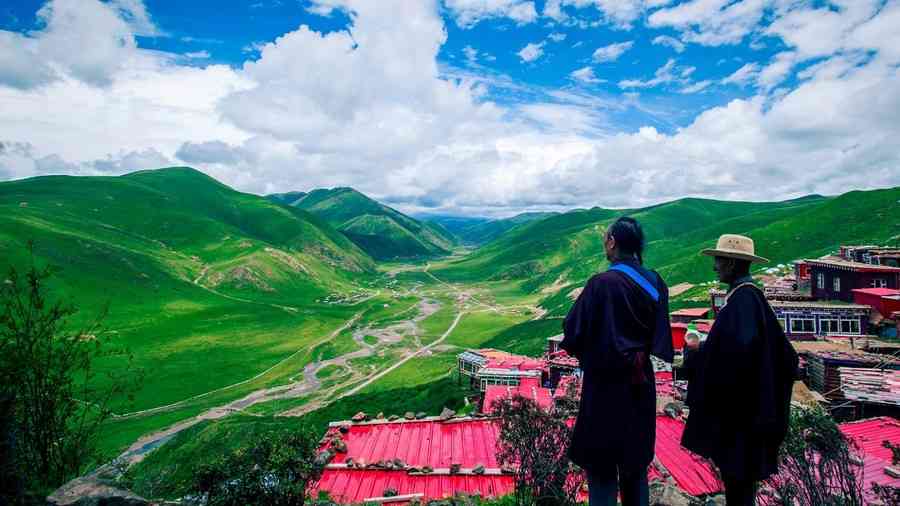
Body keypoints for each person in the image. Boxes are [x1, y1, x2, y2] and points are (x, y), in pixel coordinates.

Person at [561, 217, 674, 506]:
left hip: (604, 387)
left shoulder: (600, 284)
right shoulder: (655, 283)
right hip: (640, 386)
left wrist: (593, 354)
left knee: (601, 469)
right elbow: (660, 337)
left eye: (605, 240)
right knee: (635, 467)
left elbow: (573, 331)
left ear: (612, 242)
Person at [681, 234, 798, 506]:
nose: (715, 267)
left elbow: (733, 357)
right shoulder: (750, 299)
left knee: (739, 488)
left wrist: (696, 354)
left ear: (732, 263)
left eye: (719, 260)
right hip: (750, 417)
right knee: (741, 487)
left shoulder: (742, 302)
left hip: (740, 422)